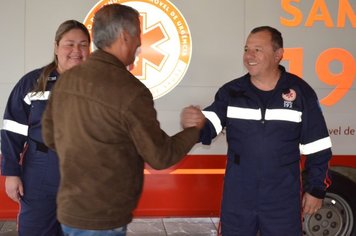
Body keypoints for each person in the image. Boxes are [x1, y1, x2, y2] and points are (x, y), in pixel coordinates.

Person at [41, 4, 205, 236]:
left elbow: (49, 137)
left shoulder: (67, 80)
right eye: (138, 35)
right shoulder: (130, 91)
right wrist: (193, 130)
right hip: (104, 219)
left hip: (70, 211)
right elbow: (160, 156)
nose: (140, 42)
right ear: (124, 37)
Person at [182, 26, 332, 235]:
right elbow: (208, 129)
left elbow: (319, 147)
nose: (248, 56)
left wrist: (316, 189)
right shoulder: (231, 92)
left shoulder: (300, 93)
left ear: (278, 55)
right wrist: (196, 123)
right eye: (246, 49)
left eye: (257, 50)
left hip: (283, 201)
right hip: (238, 198)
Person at [1, 20, 90, 235]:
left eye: (83, 44)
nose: (76, 51)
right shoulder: (33, 82)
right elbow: (12, 129)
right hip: (41, 169)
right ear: (56, 47)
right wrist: (11, 173)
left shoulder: (98, 85)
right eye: (69, 44)